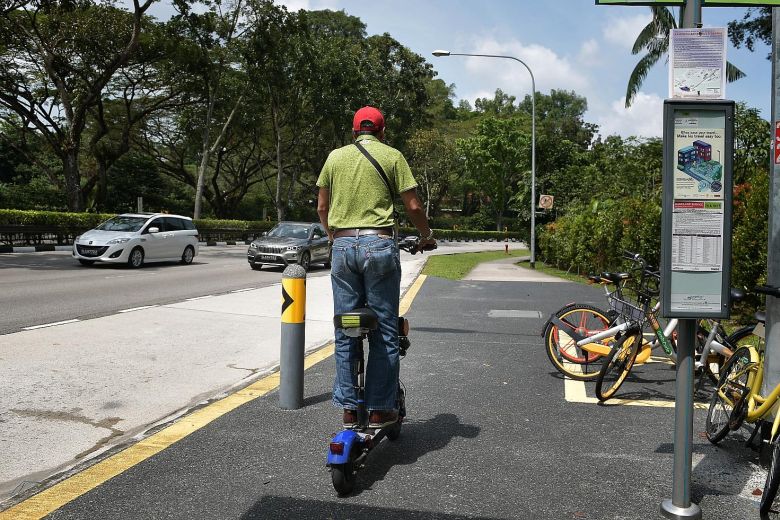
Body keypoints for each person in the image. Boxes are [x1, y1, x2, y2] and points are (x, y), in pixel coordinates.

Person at [316, 106, 436, 429]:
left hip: (342, 247)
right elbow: (412, 205)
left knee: (345, 329)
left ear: (355, 132)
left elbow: (322, 207)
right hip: (379, 245)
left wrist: (333, 237)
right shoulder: (393, 156)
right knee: (384, 330)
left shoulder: (334, 158)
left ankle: (349, 408)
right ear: (382, 132)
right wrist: (426, 235)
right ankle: (382, 408)